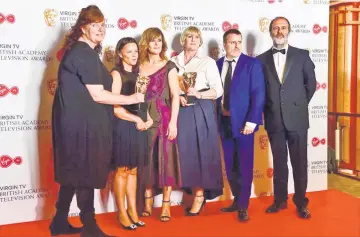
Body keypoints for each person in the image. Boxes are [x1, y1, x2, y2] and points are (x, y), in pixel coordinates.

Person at [50, 5, 143, 237]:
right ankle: (89, 226)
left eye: (103, 25)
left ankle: (59, 221)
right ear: (83, 28)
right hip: (80, 125)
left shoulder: (85, 52)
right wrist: (131, 97)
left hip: (77, 123)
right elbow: (98, 95)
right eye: (95, 25)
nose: (101, 29)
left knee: (74, 171)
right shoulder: (83, 53)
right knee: (84, 171)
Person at [257, 16, 316, 219]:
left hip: (297, 119)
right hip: (274, 119)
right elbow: (259, 91)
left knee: (300, 163)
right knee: (279, 163)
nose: (279, 31)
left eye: (283, 28)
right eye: (276, 28)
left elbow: (312, 84)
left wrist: (297, 106)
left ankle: (301, 203)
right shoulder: (261, 59)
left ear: (289, 30)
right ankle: (280, 200)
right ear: (270, 31)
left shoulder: (302, 55)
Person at [171, 26, 224, 216]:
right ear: (183, 40)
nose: (193, 40)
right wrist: (177, 95)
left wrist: (198, 94)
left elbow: (218, 90)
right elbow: (168, 87)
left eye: (197, 37)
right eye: (189, 37)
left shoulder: (207, 63)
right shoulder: (172, 62)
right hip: (181, 110)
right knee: (186, 155)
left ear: (200, 42)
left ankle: (200, 197)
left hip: (201, 109)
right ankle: (194, 192)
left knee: (201, 152)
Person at [216, 29, 265, 222]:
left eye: (239, 42)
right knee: (229, 165)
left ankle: (244, 205)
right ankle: (237, 199)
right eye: (232, 42)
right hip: (224, 121)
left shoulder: (251, 64)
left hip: (244, 124)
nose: (236, 46)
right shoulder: (217, 64)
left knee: (244, 165)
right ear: (224, 44)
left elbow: (258, 94)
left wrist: (252, 121)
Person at [136, 27, 181, 222]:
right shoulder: (138, 65)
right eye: (153, 40)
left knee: (166, 160)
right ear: (146, 42)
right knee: (146, 161)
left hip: (164, 117)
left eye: (160, 40)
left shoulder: (168, 65)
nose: (157, 44)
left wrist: (173, 122)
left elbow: (175, 96)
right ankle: (147, 204)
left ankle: (166, 205)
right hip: (143, 117)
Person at [111, 37, 150, 230]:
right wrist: (137, 120)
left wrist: (148, 118)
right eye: (129, 52)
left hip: (140, 126)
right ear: (120, 54)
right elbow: (115, 108)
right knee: (122, 170)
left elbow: (144, 102)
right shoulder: (116, 74)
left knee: (134, 170)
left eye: (136, 51)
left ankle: (133, 211)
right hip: (124, 126)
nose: (134, 55)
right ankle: (122, 213)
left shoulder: (140, 74)